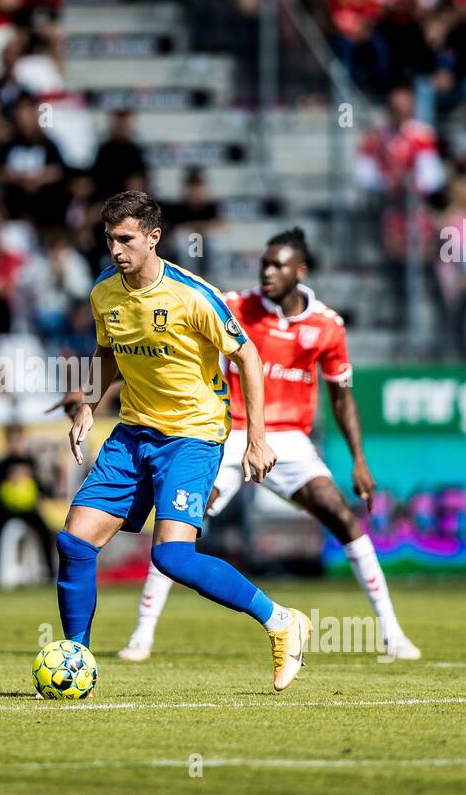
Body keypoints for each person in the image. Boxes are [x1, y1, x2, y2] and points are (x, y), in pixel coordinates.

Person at [104, 227, 420, 664]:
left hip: (288, 439)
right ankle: (142, 636)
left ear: (300, 271)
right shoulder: (236, 306)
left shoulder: (327, 326)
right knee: (177, 528)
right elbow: (168, 352)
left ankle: (392, 633)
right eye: (264, 264)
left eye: (278, 265)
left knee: (342, 518)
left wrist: (359, 460)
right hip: (227, 433)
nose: (267, 272)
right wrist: (98, 389)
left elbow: (341, 397)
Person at [47, 191, 312, 693]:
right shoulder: (105, 291)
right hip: (133, 432)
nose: (116, 249)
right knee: (74, 541)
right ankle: (77, 660)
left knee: (171, 558)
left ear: (153, 237)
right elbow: (107, 350)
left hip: (192, 436)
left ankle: (281, 620)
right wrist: (88, 402)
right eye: (109, 239)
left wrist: (256, 437)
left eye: (126, 239)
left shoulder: (192, 296)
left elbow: (248, 358)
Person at [0, 424, 55, 585]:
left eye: (18, 440)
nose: (15, 444)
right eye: (11, 440)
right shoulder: (1, 464)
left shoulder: (30, 462)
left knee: (45, 531)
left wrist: (31, 479)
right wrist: (7, 481)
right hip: (6, 510)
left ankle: (50, 572)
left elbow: (42, 488)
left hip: (28, 509)